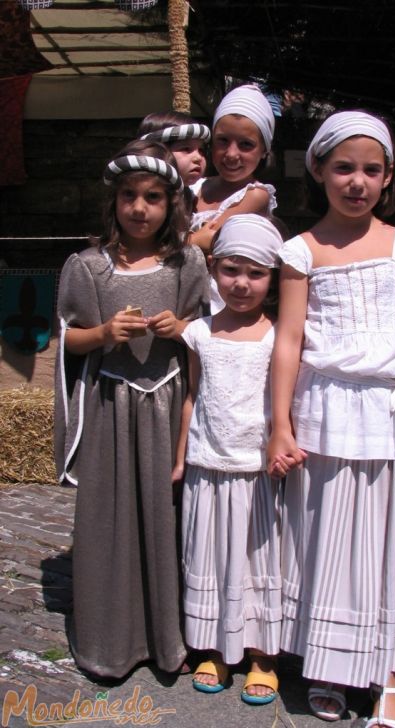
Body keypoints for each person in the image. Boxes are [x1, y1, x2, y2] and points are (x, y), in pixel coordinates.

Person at [267, 111, 395, 727]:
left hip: (391, 414)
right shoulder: (300, 251)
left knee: (390, 543)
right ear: (318, 171)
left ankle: (388, 675)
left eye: (371, 169)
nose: (357, 181)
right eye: (344, 167)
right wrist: (280, 423)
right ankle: (331, 662)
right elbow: (288, 341)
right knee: (326, 539)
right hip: (325, 412)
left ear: (388, 176)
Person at [54, 138, 210, 678]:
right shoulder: (89, 268)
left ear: (172, 205)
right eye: (128, 196)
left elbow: (215, 331)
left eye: (152, 197)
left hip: (170, 410)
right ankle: (111, 643)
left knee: (170, 517)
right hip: (111, 409)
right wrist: (101, 332)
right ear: (113, 201)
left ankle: (173, 640)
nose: (139, 208)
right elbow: (68, 340)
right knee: (111, 520)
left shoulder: (188, 263)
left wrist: (184, 328)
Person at [173, 214, 284, 705]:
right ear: (214, 268)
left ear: (273, 277)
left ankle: (262, 653)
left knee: (257, 562)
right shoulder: (198, 333)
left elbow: (286, 404)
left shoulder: (278, 337)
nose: (242, 284)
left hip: (257, 474)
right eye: (232, 270)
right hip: (207, 467)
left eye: (256, 273)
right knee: (214, 559)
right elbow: (193, 396)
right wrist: (182, 458)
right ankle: (216, 645)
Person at [188, 84, 277, 256]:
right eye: (223, 140)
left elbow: (209, 240)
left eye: (246, 144)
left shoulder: (255, 194)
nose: (231, 154)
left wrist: (166, 246)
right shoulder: (195, 186)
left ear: (264, 150)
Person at [137, 111, 211, 217]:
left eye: (201, 150)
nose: (198, 157)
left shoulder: (188, 196)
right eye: (186, 149)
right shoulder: (144, 197)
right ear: (156, 152)